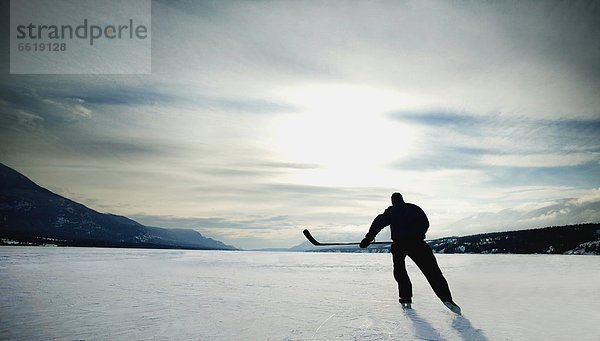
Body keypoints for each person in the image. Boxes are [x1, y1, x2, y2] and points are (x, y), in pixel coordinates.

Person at [360, 192, 461, 314]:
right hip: (418, 243)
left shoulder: (391, 211)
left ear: (393, 201)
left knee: (400, 270)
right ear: (402, 200)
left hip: (399, 244)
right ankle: (447, 299)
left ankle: (406, 298)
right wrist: (417, 234)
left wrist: (368, 239)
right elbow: (425, 223)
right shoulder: (415, 208)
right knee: (433, 272)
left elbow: (378, 223)